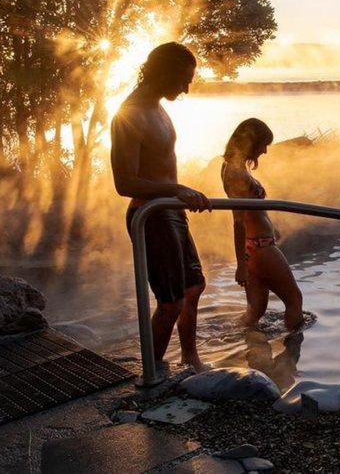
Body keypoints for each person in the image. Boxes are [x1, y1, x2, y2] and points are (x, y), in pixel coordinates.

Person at [110, 42, 211, 373]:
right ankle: (151, 374)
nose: (186, 88)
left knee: (193, 287)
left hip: (171, 210)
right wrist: (177, 189)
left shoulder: (157, 107)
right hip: (151, 216)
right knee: (170, 302)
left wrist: (177, 196)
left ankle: (189, 358)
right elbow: (125, 183)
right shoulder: (131, 114)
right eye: (183, 79)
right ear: (163, 71)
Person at [221, 118, 305, 331]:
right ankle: (293, 356)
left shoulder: (234, 168)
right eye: (263, 144)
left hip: (255, 248)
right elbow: (238, 221)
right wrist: (240, 265)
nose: (265, 151)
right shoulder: (235, 173)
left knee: (256, 310)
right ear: (252, 142)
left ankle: (245, 350)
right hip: (261, 248)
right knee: (295, 300)